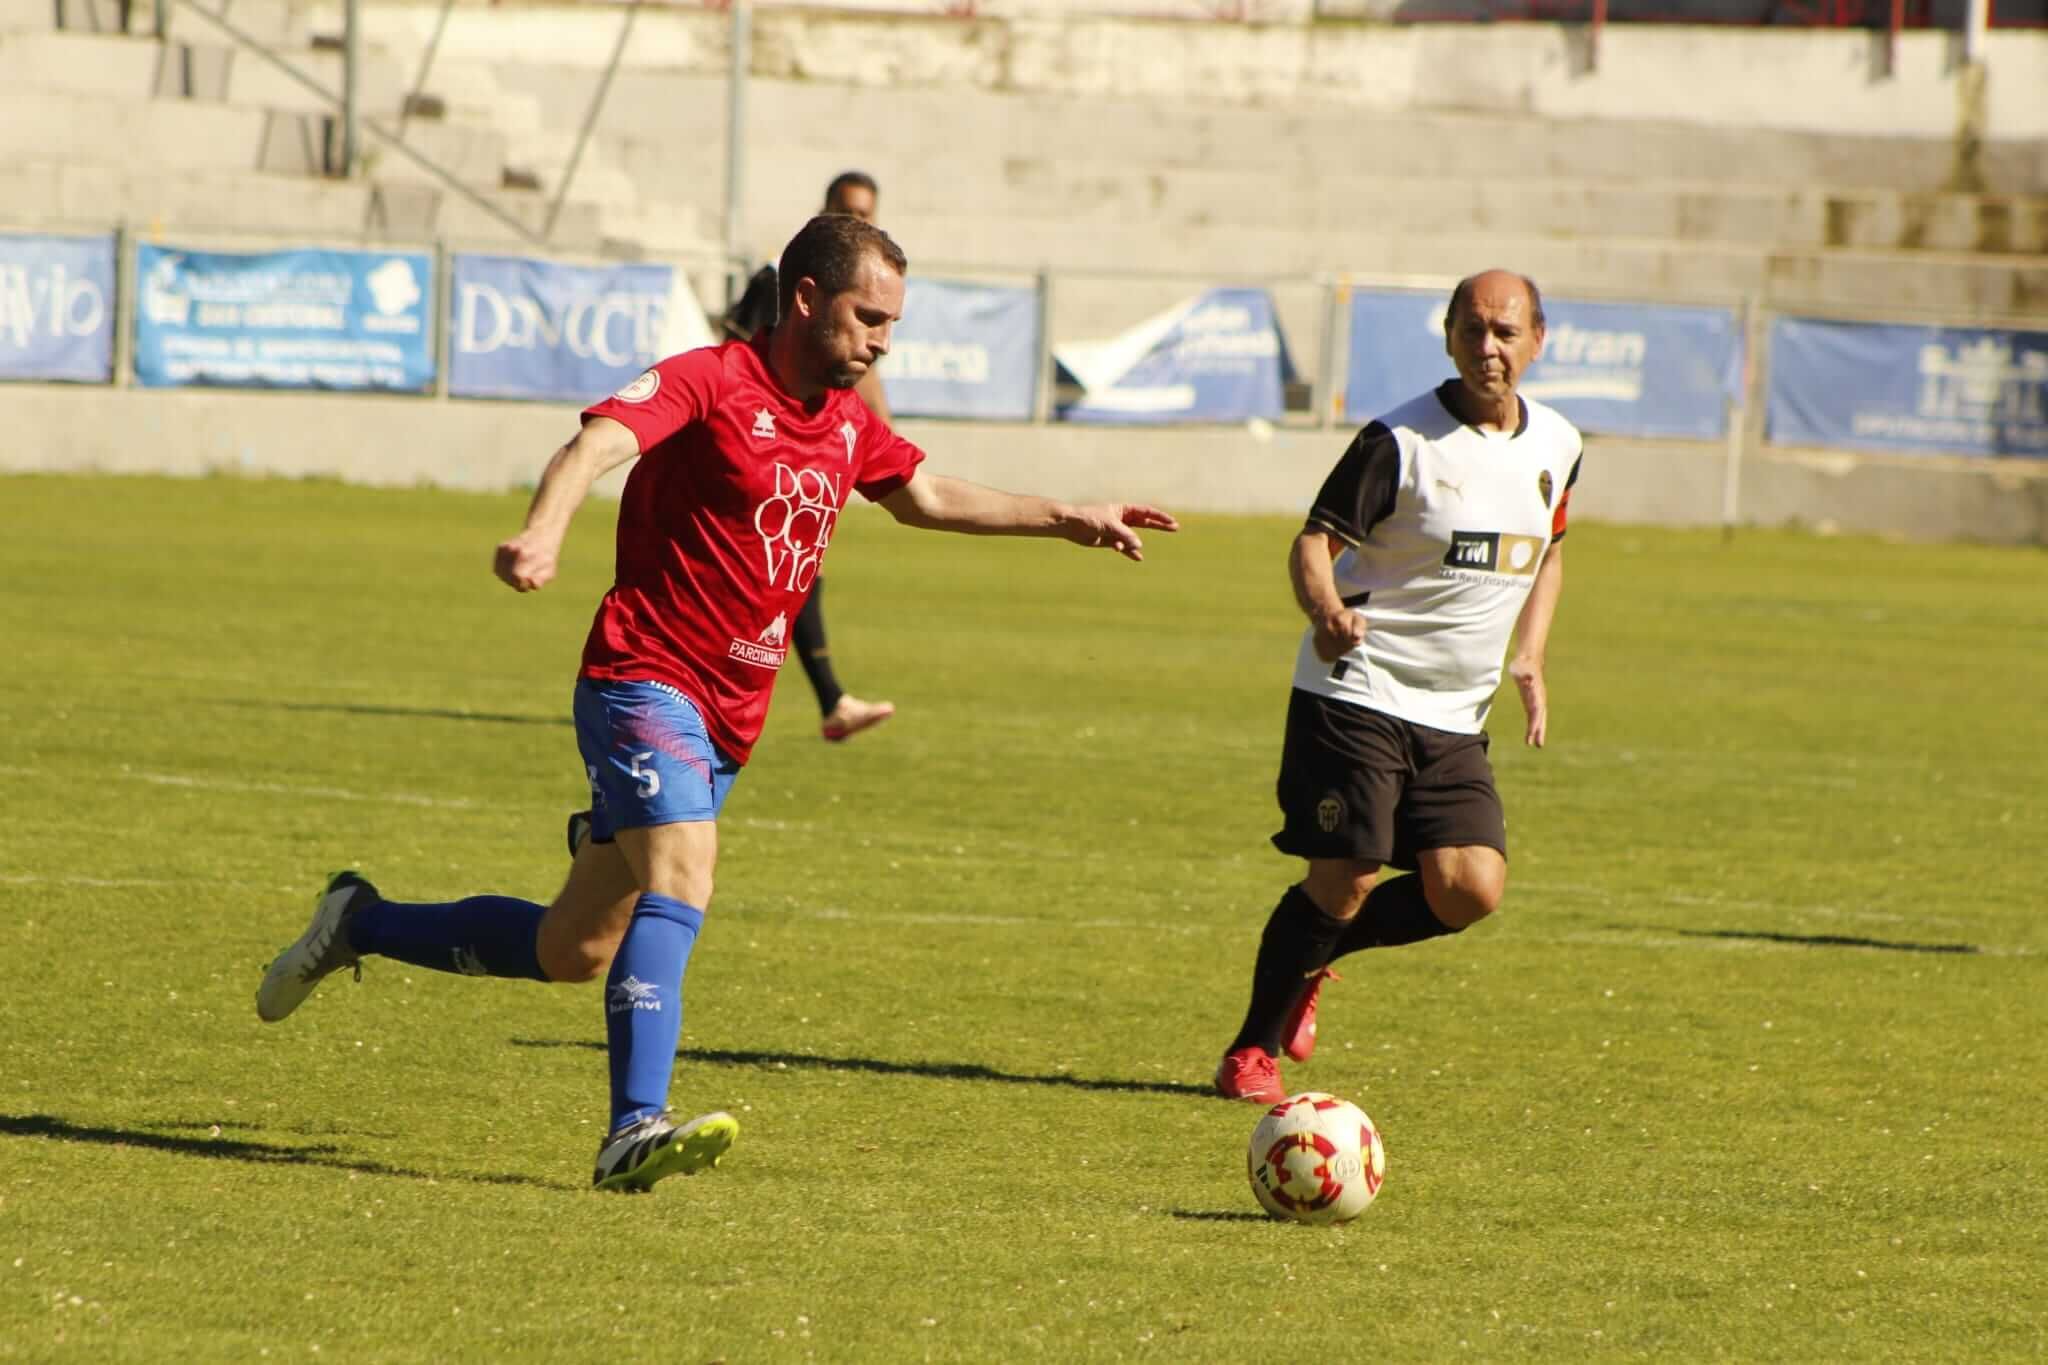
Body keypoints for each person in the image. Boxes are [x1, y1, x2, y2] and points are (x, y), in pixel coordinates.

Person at [255, 214, 1178, 1192]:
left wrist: (1066, 516)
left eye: (892, 323)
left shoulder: (848, 422)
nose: (881, 341)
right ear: (809, 298)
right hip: (642, 678)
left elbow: (926, 495)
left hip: (728, 721)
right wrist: (542, 533)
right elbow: (596, 446)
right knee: (685, 874)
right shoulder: (712, 381)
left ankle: (357, 921)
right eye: (868, 317)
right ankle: (629, 1130)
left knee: (571, 949)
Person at [1213, 268, 1580, 1104]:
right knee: (1345, 876)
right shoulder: (1399, 440)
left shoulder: (1558, 444)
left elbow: (1550, 547)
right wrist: (1326, 608)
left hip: (1454, 714)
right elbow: (1312, 543)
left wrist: (1533, 653)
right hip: (1358, 689)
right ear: (1448, 335)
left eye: (1506, 332)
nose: (1488, 347)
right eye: (1472, 330)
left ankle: (1319, 960)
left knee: (1470, 888)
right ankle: (1249, 1051)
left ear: (1538, 340)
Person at [725, 170, 895, 742]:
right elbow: (732, 359)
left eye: (868, 212)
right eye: (850, 209)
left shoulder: (864, 290)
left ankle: (827, 700)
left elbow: (862, 382)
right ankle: (827, 700)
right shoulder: (780, 278)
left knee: (794, 571)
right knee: (777, 569)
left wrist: (880, 437)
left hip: (826, 447)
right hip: (766, 447)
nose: (860, 221)